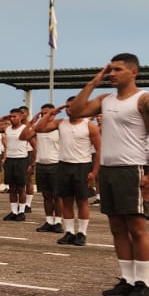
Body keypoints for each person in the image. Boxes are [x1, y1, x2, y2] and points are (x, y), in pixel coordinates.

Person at [67, 54, 149, 296]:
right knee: (117, 228)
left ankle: (143, 283)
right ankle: (127, 279)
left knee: (137, 227)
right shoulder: (105, 99)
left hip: (132, 169)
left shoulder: (144, 100)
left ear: (133, 72)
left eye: (117, 70)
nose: (112, 74)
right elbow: (76, 110)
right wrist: (93, 82)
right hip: (110, 170)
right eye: (110, 70)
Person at [34, 101, 99, 246]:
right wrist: (51, 113)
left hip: (82, 166)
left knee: (82, 201)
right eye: (67, 106)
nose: (70, 109)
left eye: (73, 106)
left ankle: (82, 233)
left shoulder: (89, 125)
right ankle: (69, 232)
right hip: (63, 165)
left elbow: (99, 149)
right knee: (67, 201)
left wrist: (94, 171)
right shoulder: (60, 122)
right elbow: (39, 128)